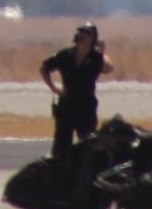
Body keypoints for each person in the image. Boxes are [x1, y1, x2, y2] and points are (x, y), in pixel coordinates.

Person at [40, 22, 112, 157]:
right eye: (81, 32)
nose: (83, 35)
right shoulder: (65, 54)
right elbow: (44, 68)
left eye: (87, 33)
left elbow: (108, 68)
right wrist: (54, 88)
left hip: (86, 106)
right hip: (66, 105)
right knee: (61, 146)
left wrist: (102, 51)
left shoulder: (96, 57)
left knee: (87, 145)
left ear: (93, 38)